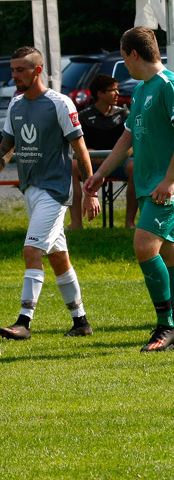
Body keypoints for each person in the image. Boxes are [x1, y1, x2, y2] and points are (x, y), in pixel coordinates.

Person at [84, 27, 174, 351]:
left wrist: (170, 180)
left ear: (134, 54)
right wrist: (100, 174)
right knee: (170, 256)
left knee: (144, 244)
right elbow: (126, 139)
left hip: (170, 186)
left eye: (124, 58)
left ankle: (165, 326)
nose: (126, 66)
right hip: (153, 185)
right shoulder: (141, 91)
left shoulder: (168, 84)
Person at [0, 46, 98, 340]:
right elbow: (7, 146)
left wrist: (90, 190)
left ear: (37, 70)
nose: (14, 75)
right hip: (30, 189)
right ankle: (80, 322)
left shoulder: (60, 103)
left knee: (32, 250)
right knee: (58, 257)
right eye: (13, 69)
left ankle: (24, 322)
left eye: (20, 70)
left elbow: (80, 148)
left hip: (54, 191)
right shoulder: (15, 105)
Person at [70, 73, 137, 229]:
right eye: (112, 90)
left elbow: (132, 142)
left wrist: (116, 157)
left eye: (117, 89)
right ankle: (76, 223)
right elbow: (75, 144)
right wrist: (88, 151)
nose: (117, 93)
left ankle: (130, 223)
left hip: (119, 162)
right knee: (71, 167)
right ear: (100, 94)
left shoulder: (123, 114)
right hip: (91, 163)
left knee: (135, 167)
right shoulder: (83, 116)